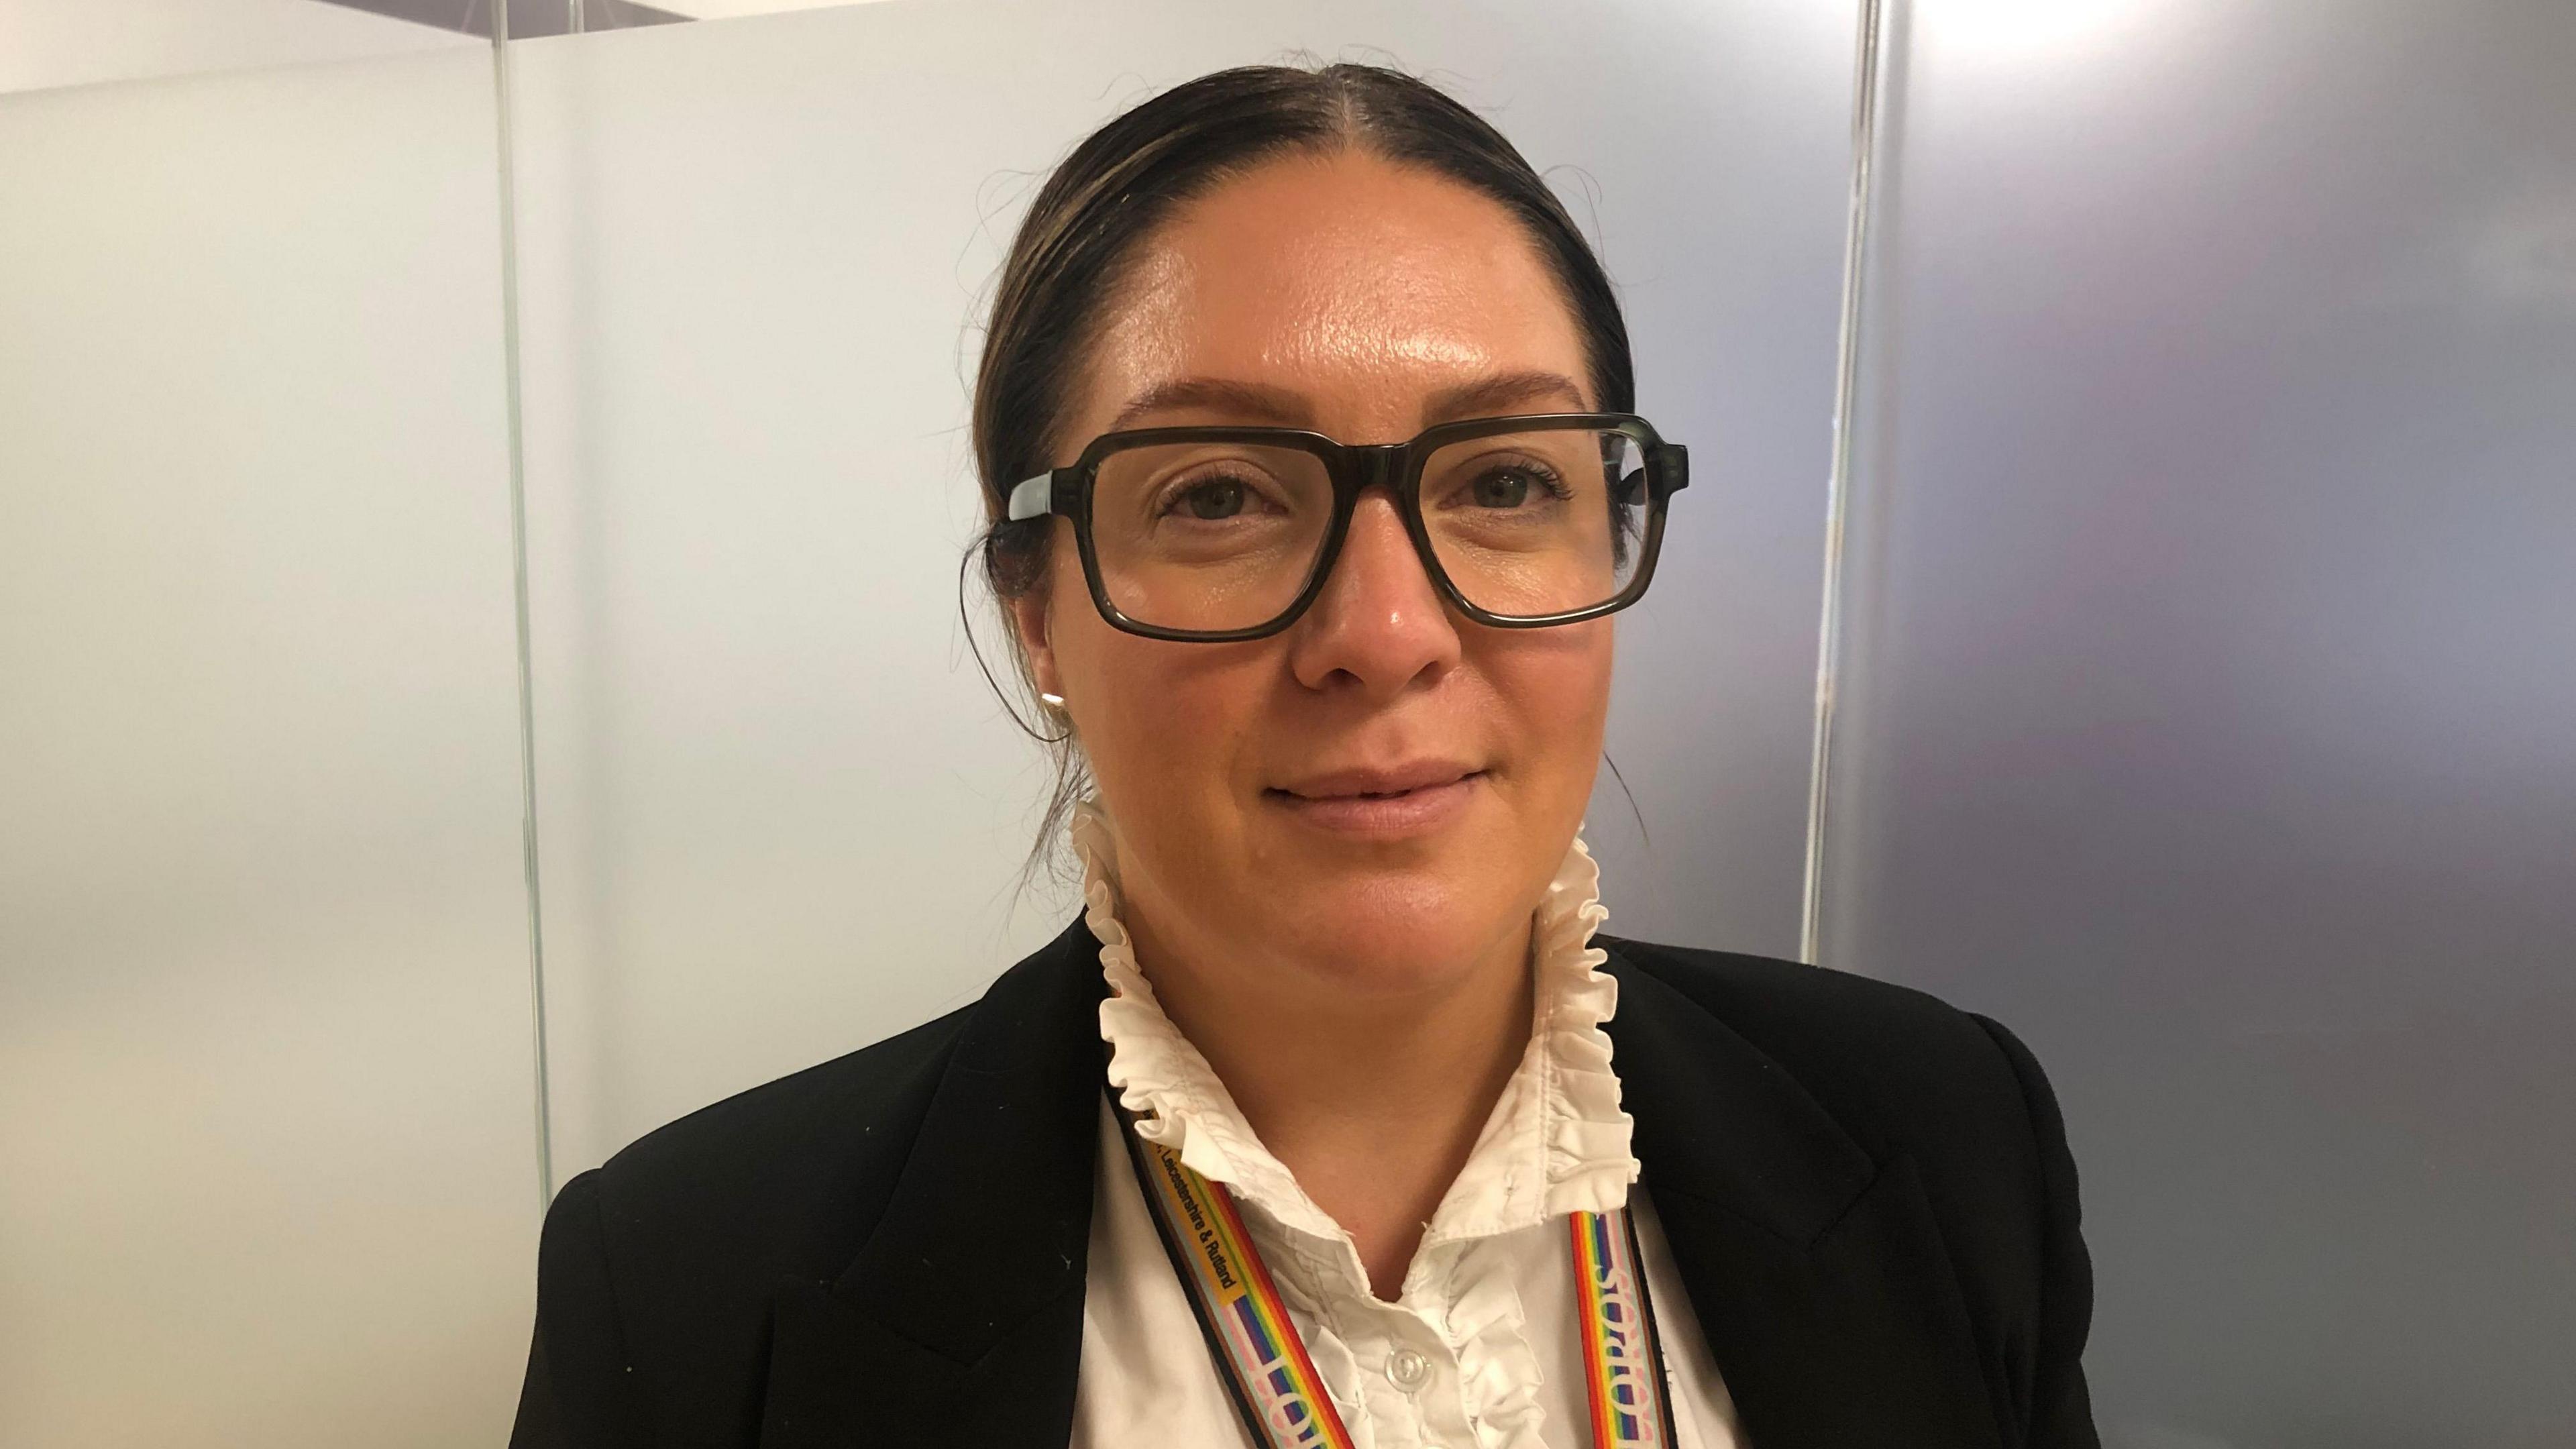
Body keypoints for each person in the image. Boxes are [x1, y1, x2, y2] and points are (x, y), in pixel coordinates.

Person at [508, 62, 2100, 1449]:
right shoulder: (688, 1293)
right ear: (1035, 612)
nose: (1389, 630)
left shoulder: (1943, 1137)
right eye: (1217, 496)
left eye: (1502, 480)